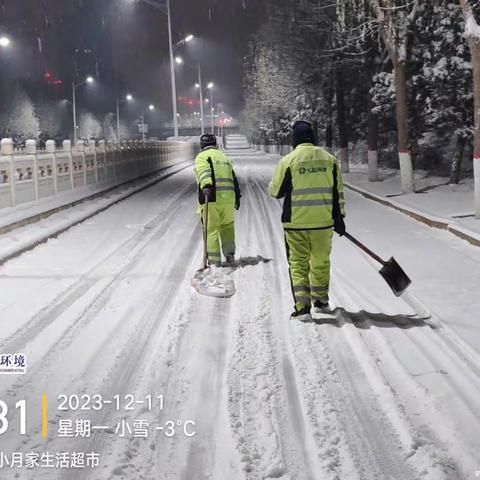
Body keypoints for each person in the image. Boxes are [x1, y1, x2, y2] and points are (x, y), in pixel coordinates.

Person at [268, 120, 346, 322]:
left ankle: (303, 308)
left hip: (296, 225)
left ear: (294, 140)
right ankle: (321, 301)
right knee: (321, 261)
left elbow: (276, 192)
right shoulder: (330, 160)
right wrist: (340, 218)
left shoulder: (288, 161)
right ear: (312, 138)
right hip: (323, 224)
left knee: (298, 264)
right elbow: (338, 193)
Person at [194, 133, 241, 266]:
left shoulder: (202, 157)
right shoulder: (224, 157)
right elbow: (233, 178)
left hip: (212, 198)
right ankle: (230, 254)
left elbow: (204, 172)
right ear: (215, 144)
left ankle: (214, 261)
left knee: (211, 230)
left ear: (202, 145)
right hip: (228, 199)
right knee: (227, 227)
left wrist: (206, 185)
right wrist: (237, 196)